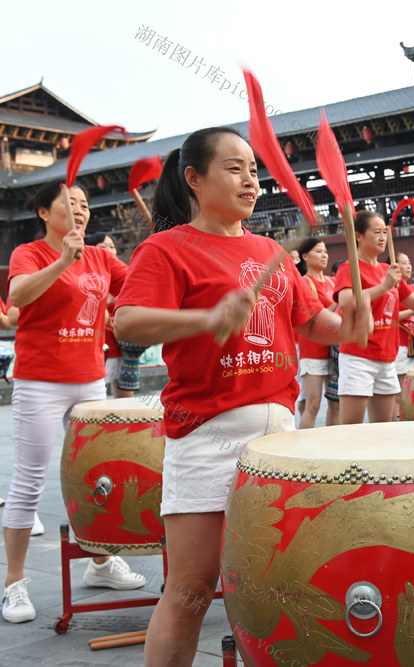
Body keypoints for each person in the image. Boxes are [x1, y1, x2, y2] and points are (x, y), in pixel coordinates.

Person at [111, 126, 370, 665]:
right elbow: (128, 322)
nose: (250, 179)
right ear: (193, 179)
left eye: (254, 169)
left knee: (289, 581)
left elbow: (318, 325)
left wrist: (352, 320)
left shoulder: (271, 251)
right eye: (234, 168)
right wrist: (208, 317)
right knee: (190, 590)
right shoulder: (167, 248)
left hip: (278, 437)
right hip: (207, 434)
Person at [3, 182, 146, 625]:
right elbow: (20, 298)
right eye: (70, 203)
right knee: (28, 482)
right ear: (45, 212)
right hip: (42, 381)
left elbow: (139, 287)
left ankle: (100, 564)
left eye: (85, 204)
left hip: (90, 383)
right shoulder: (29, 254)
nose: (80, 209)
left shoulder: (103, 258)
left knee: (99, 475)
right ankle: (13, 583)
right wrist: (65, 258)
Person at [335, 211, 414, 425]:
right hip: (358, 356)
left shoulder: (389, 269)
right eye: (376, 232)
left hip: (387, 357)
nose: (382, 238)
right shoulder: (349, 268)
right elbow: (346, 302)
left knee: (384, 428)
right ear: (358, 235)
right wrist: (385, 286)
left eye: (384, 233)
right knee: (351, 431)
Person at [296, 237, 338, 428]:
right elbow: (316, 318)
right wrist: (339, 302)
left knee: (335, 403)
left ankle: (332, 447)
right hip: (313, 351)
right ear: (305, 256)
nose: (324, 256)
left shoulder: (332, 282)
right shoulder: (305, 283)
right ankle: (304, 450)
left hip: (333, 351)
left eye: (325, 252)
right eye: (319, 252)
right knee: (313, 404)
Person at [85, 233, 133, 399]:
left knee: (125, 400)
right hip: (97, 346)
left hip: (124, 346)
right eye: (103, 247)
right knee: (93, 400)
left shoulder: (122, 275)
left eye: (112, 247)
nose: (109, 251)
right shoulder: (87, 275)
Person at [394, 252, 414, 420]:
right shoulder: (393, 288)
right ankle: (397, 418)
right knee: (399, 389)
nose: (409, 266)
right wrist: (413, 309)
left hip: (411, 345)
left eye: (409, 262)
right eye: (404, 263)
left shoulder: (410, 289)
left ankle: (405, 418)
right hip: (399, 344)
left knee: (409, 386)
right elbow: (391, 315)